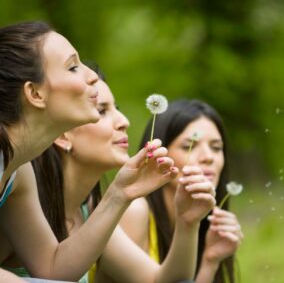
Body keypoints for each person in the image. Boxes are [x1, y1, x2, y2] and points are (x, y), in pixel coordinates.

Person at [0, 21, 177, 282]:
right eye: (73, 67)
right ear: (35, 93)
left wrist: (119, 194)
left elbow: (51, 268)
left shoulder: (19, 170)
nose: (92, 76)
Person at [4, 71, 216, 283]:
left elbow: (162, 281)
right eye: (102, 111)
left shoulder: (91, 210)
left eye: (118, 110)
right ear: (62, 134)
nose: (124, 121)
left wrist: (188, 223)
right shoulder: (17, 204)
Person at [119, 99, 244, 283]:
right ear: (159, 154)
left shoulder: (201, 224)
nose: (208, 157)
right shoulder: (135, 212)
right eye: (189, 146)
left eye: (216, 148)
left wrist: (210, 262)